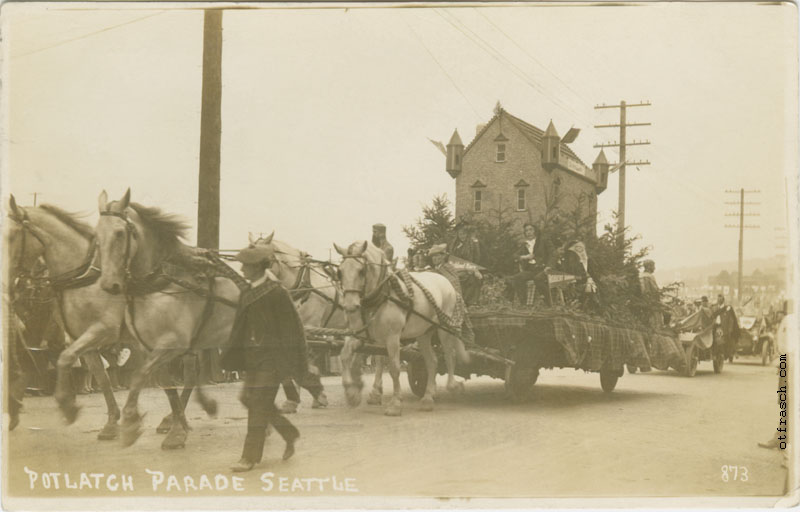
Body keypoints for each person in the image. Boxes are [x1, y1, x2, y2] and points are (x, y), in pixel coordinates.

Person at [222, 245, 308, 473]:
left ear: (258, 267)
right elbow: (240, 328)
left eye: (246, 265)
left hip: (272, 360)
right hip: (253, 358)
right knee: (249, 399)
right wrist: (233, 355)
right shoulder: (248, 292)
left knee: (258, 405)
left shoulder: (277, 293)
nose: (241, 269)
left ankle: (248, 458)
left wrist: (289, 364)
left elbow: (291, 330)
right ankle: (289, 433)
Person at [509, 223, 551, 306]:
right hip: (531, 270)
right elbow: (514, 256)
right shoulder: (525, 244)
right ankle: (523, 304)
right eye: (526, 230)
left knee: (538, 279)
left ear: (535, 230)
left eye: (530, 229)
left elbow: (553, 254)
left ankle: (549, 303)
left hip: (543, 269)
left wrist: (549, 266)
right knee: (518, 278)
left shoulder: (543, 241)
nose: (528, 232)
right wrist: (525, 257)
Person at [448, 222, 484, 305]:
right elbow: (451, 257)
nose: (462, 235)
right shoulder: (454, 244)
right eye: (460, 233)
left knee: (474, 279)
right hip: (457, 268)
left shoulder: (473, 243)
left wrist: (473, 268)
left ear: (467, 234)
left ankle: (469, 302)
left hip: (470, 267)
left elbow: (477, 257)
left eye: (464, 233)